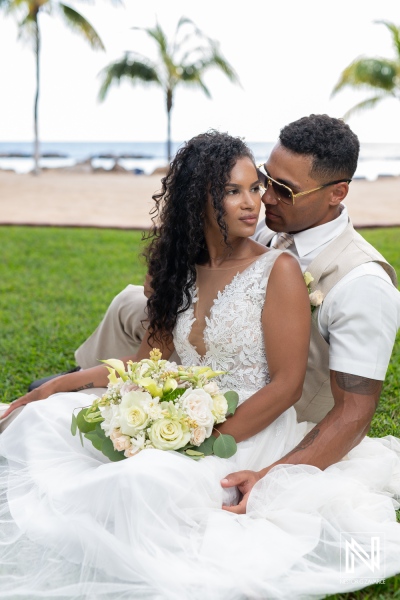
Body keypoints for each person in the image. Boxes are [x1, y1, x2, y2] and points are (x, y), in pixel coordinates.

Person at [1, 128, 400, 600]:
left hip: (247, 426)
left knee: (143, 479)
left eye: (267, 189)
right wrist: (61, 386)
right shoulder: (217, 253)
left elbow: (295, 387)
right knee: (44, 420)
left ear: (335, 195)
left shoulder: (321, 275)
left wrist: (202, 443)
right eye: (245, 188)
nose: (260, 200)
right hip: (190, 403)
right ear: (202, 199)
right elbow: (145, 359)